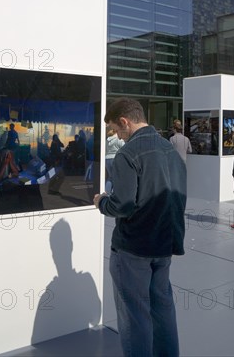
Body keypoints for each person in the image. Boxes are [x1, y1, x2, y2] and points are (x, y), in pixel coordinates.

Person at [93, 98, 187, 357]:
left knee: (135, 317)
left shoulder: (128, 153)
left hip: (133, 248)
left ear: (125, 121)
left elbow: (123, 205)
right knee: (163, 310)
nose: (118, 136)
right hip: (164, 245)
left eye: (115, 129)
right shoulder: (170, 151)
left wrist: (102, 203)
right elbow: (178, 199)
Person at [105, 128, 124, 193]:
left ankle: (107, 193)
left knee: (110, 177)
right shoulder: (118, 139)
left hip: (107, 159)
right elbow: (125, 148)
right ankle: (115, 194)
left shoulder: (107, 140)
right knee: (117, 177)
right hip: (115, 159)